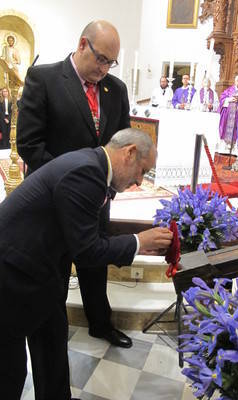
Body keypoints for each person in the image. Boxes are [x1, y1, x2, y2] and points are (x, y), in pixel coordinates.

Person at [0, 128, 173, 400]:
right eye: (142, 170)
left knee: (52, 345)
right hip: (13, 273)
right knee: (9, 370)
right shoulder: (86, 172)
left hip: (42, 272)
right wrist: (139, 242)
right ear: (129, 153)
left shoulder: (92, 165)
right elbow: (87, 251)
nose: (139, 181)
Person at [17, 20, 133, 350]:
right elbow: (30, 145)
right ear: (83, 44)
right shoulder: (45, 79)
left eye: (111, 62)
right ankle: (52, 333)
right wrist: (71, 185)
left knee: (94, 265)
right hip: (52, 200)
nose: (105, 68)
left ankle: (101, 323)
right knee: (53, 267)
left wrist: (109, 186)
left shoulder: (116, 89)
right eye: (101, 59)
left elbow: (121, 145)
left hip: (98, 197)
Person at [216, 74, 238, 154]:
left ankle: (234, 150)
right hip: (228, 116)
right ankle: (224, 149)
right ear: (235, 81)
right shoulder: (229, 90)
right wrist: (229, 99)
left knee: (237, 130)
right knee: (226, 129)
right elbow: (222, 99)